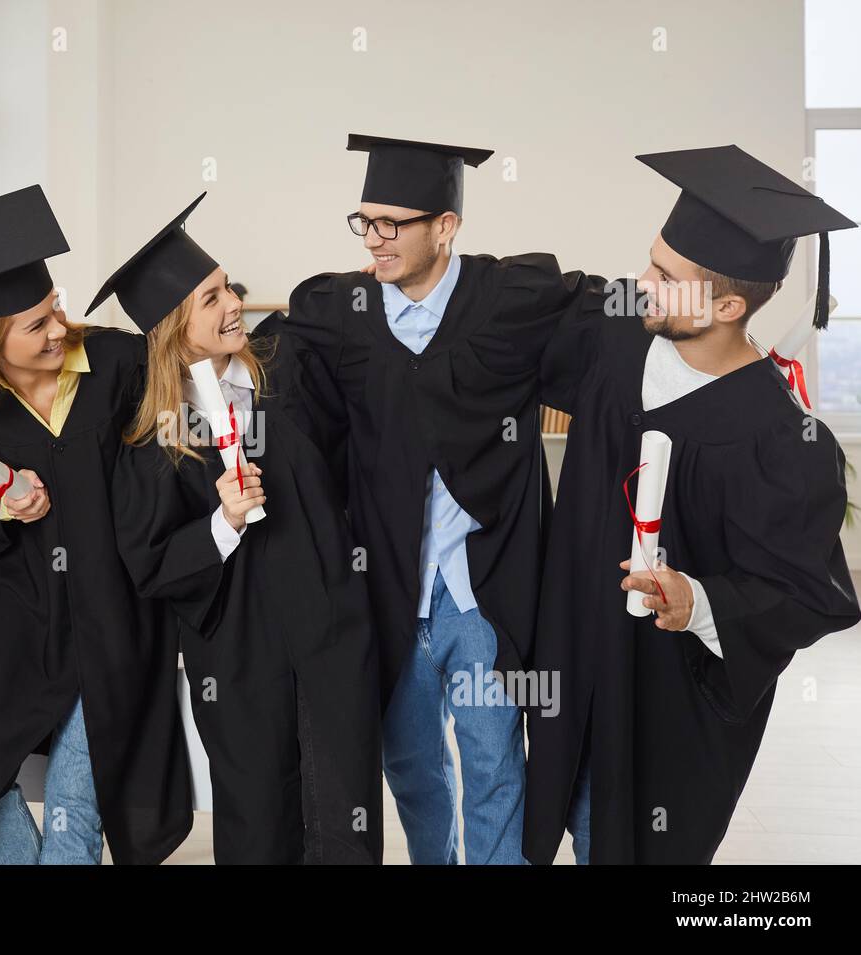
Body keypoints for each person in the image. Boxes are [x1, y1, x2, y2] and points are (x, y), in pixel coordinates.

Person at [525, 145, 860, 864]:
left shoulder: (782, 438)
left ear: (729, 306)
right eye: (651, 261)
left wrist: (699, 600)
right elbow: (496, 330)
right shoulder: (612, 340)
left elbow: (805, 594)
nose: (641, 283)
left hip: (668, 704)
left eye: (666, 278)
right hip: (575, 660)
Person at [274, 134, 587, 864]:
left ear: (445, 226)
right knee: (412, 771)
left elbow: (605, 323)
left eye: (393, 224)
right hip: (387, 590)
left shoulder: (508, 301)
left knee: (493, 767)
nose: (374, 240)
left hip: (483, 595)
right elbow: (286, 394)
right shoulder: (340, 312)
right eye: (365, 222)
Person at [0, 186, 192, 865]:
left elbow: (165, 470)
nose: (59, 328)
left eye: (54, 308)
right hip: (13, 616)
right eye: (36, 325)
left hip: (112, 614)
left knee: (74, 808)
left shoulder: (119, 366)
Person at [97, 195, 382, 864]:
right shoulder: (154, 437)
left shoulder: (289, 373)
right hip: (236, 655)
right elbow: (151, 561)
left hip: (331, 632)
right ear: (173, 326)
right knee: (259, 817)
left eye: (226, 286)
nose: (232, 304)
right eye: (209, 297)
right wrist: (222, 522)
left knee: (345, 813)